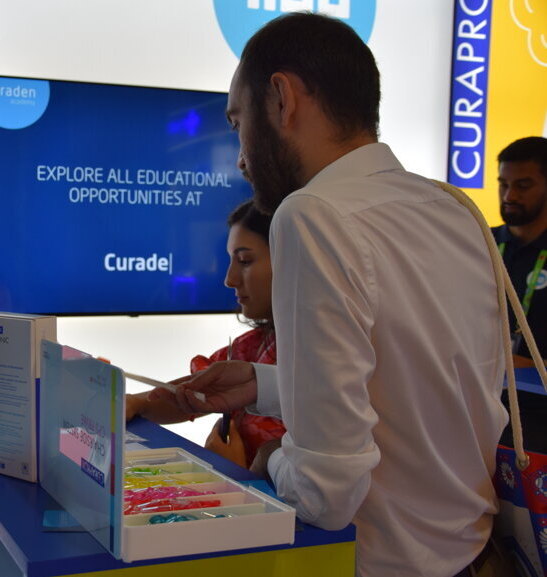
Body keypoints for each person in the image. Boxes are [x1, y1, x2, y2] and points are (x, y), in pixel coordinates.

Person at [156, 13, 508, 577]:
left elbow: (325, 491)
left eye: (237, 121)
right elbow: (422, 381)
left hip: (378, 562)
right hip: (474, 555)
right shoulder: (453, 208)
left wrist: (266, 458)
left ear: (282, 99)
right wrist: (264, 385)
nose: (241, 156)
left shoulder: (312, 214)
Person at [126, 200, 285, 467]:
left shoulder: (325, 355)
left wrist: (234, 471)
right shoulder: (252, 347)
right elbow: (194, 395)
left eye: (244, 261)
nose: (230, 279)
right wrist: (135, 404)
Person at [492, 136, 547, 453]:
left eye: (523, 185)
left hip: (537, 417)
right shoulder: (477, 243)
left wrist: (520, 363)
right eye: (503, 183)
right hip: (479, 406)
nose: (510, 195)